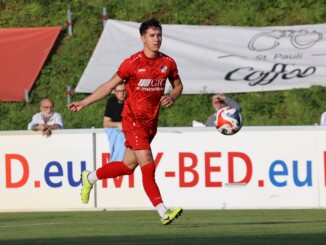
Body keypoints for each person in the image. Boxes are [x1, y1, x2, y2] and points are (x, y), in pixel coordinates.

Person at [67, 18, 183, 225]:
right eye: (151, 36)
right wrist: (84, 102)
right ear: (142, 39)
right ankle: (163, 211)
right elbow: (108, 86)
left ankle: (90, 177)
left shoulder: (168, 63)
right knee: (147, 162)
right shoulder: (132, 63)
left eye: (159, 35)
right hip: (132, 120)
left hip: (150, 123)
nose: (156, 39)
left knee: (127, 167)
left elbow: (178, 86)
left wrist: (172, 97)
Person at [103, 82, 126, 162]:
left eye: (124, 90)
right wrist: (117, 124)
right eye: (119, 91)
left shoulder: (130, 101)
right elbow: (106, 122)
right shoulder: (111, 101)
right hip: (116, 130)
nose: (122, 93)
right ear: (115, 92)